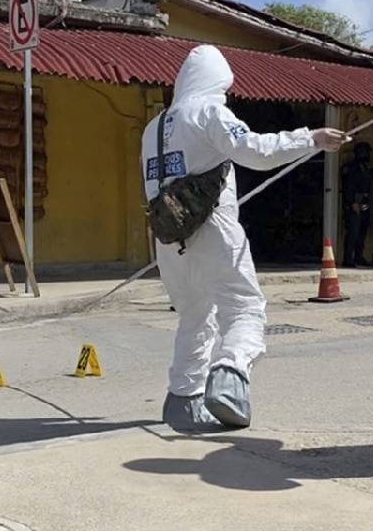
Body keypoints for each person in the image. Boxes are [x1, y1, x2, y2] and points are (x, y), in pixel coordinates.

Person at [142, 45, 349, 432]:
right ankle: (229, 374)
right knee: (245, 308)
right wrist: (312, 138)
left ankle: (183, 400)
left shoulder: (154, 127)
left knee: (195, 315)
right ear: (217, 81)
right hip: (214, 228)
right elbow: (255, 151)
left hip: (169, 237)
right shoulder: (209, 112)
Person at [342, 142, 372, 267]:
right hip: (354, 202)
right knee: (353, 232)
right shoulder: (351, 168)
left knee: (362, 232)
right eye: (366, 152)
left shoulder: (365, 167)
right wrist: (352, 202)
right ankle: (348, 259)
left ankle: (358, 256)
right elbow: (348, 186)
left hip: (365, 201)